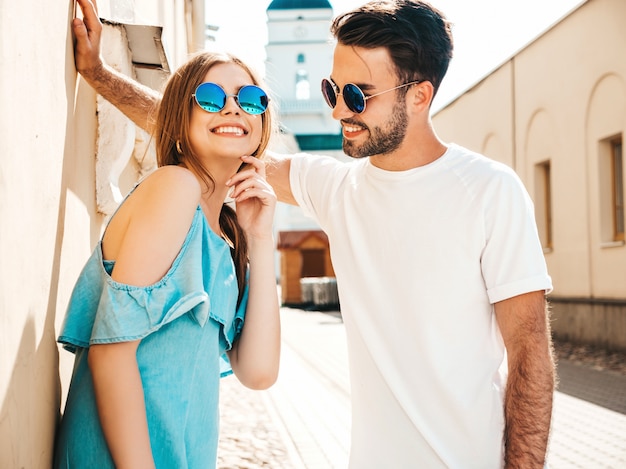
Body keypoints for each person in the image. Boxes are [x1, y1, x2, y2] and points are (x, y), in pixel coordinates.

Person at [71, 0, 556, 467]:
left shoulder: (491, 192)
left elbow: (531, 358)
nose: (339, 111)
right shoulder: (338, 188)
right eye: (332, 91)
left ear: (419, 96)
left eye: (357, 95)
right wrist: (98, 76)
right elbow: (206, 130)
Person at [55, 44, 281, 468]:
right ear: (180, 117)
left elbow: (258, 371)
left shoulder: (228, 236)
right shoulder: (174, 188)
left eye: (250, 99)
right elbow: (111, 352)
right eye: (212, 98)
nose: (234, 109)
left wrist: (261, 238)